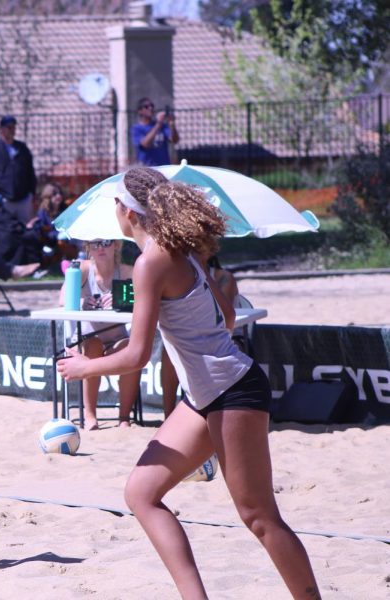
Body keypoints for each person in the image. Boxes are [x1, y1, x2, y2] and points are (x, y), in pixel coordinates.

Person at [56, 167, 320, 599]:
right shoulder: (180, 250)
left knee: (259, 516)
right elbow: (229, 317)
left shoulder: (151, 262)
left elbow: (137, 356)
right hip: (206, 395)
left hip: (232, 389)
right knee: (141, 493)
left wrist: (82, 368)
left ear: (128, 212)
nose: (115, 211)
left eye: (116, 204)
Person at [59, 238, 141, 430]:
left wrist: (121, 299)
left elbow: (142, 303)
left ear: (116, 245)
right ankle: (90, 415)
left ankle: (124, 417)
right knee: (93, 345)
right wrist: (83, 303)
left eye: (106, 242)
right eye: (95, 244)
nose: (100, 248)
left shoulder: (127, 271)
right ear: (88, 248)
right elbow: (62, 300)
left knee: (130, 349)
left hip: (116, 338)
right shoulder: (82, 269)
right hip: (86, 338)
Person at [161, 252, 241, 417]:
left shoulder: (222, 277)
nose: (192, 247)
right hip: (200, 343)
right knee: (169, 353)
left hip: (224, 343)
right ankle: (168, 413)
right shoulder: (178, 273)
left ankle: (176, 413)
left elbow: (226, 321)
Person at [0, 115, 37, 225]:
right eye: (9, 127)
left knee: (25, 230)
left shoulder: (21, 148)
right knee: (6, 229)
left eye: (13, 127)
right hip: (4, 199)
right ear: (1, 129)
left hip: (23, 198)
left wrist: (32, 193)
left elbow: (30, 171)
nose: (12, 130)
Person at [130, 97, 180, 167]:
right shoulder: (137, 128)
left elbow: (175, 140)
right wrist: (159, 123)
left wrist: (172, 125)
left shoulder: (162, 126)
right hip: (146, 168)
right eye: (146, 107)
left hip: (163, 167)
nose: (150, 108)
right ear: (140, 111)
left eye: (152, 106)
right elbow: (145, 144)